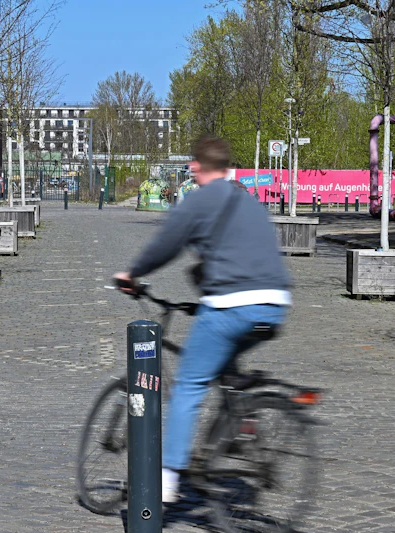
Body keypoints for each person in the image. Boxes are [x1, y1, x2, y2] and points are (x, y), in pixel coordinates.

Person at [114, 135, 291, 503]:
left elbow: (167, 243)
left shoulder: (200, 200)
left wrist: (133, 273)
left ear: (196, 167)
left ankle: (165, 481)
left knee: (191, 385)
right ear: (227, 166)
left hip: (232, 305)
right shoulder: (248, 200)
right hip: (274, 304)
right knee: (228, 366)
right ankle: (242, 418)